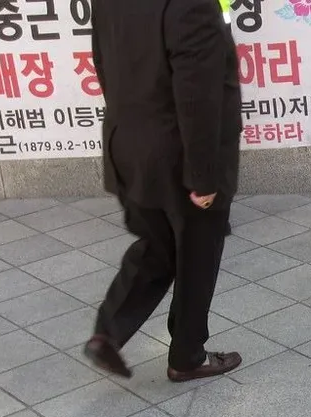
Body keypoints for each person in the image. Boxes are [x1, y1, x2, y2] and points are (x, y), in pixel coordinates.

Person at [84, 0, 242, 382]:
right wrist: (203, 178)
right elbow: (198, 95)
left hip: (129, 147)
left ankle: (108, 332)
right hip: (180, 156)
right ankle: (187, 356)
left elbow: (102, 63)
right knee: (197, 254)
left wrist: (138, 128)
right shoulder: (191, 5)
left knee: (157, 247)